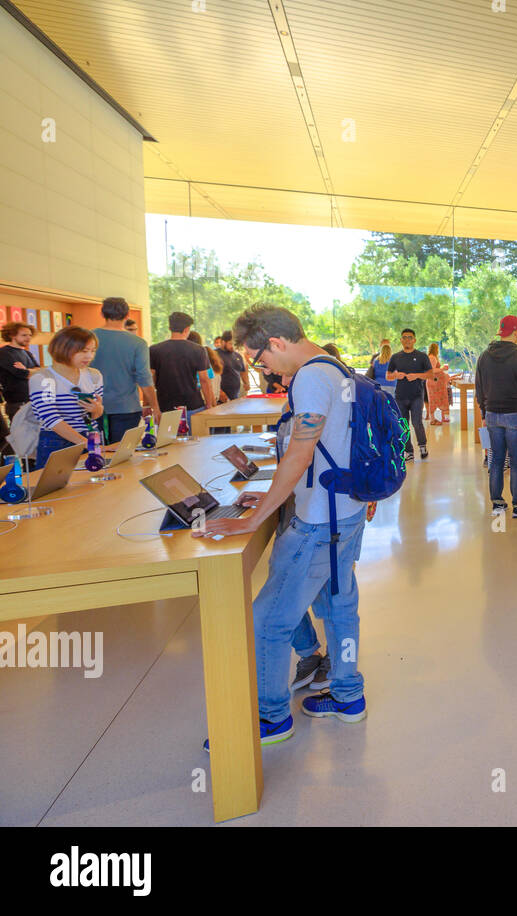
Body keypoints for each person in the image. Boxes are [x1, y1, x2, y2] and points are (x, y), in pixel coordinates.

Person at [197, 304, 372, 743]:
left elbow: (300, 452)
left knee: (267, 622)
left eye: (261, 359)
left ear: (275, 343)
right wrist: (276, 494)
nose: (265, 369)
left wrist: (255, 516)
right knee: (338, 605)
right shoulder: (337, 367)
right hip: (345, 510)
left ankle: (272, 717)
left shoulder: (312, 376)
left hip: (317, 521)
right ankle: (348, 696)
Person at [475, 316, 517, 515]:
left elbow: (479, 388)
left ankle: (497, 503)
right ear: (516, 332)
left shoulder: (485, 356)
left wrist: (484, 411)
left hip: (492, 414)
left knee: (496, 460)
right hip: (514, 415)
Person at [28, 327, 104, 469]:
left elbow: (95, 416)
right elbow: (51, 419)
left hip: (90, 437)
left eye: (92, 351)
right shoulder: (43, 378)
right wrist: (87, 444)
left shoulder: (94, 375)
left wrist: (97, 409)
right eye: (83, 351)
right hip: (56, 442)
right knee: (56, 488)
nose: (89, 357)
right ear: (63, 348)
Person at [89, 297, 161, 443]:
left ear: (102, 314)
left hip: (92, 406)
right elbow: (144, 377)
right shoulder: (138, 343)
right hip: (126, 407)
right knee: (122, 455)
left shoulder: (87, 338)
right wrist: (155, 406)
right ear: (128, 315)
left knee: (96, 452)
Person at [149, 312, 209, 417]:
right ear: (186, 329)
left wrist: (152, 406)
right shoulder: (198, 350)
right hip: (193, 405)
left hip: (165, 406)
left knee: (167, 434)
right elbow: (204, 380)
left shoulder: (154, 350)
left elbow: (149, 379)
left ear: (170, 328)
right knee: (196, 434)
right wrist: (210, 404)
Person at [388, 328, 433, 461]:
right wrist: (396, 375)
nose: (407, 340)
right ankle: (409, 451)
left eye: (410, 337)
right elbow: (388, 375)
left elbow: (430, 374)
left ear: (414, 340)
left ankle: (422, 446)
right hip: (400, 396)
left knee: (417, 422)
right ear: (401, 340)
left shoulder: (422, 356)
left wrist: (416, 376)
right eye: (404, 337)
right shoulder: (395, 357)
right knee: (403, 424)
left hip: (417, 395)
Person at [0, 321, 39, 447]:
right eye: (24, 335)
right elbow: (20, 374)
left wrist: (28, 370)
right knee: (24, 444)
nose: (28, 338)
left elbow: (40, 372)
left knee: (35, 442)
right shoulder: (4, 353)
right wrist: (29, 372)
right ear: (13, 335)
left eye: (29, 335)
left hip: (32, 401)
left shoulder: (27, 353)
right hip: (17, 404)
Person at [424, 342, 451, 424]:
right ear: (436, 349)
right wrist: (442, 369)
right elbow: (432, 370)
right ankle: (433, 420)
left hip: (434, 382)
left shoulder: (430, 357)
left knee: (432, 400)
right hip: (434, 383)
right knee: (433, 400)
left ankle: (433, 419)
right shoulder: (432, 358)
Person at [217, 330, 249, 401]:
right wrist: (219, 392)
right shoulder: (215, 355)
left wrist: (246, 382)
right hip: (221, 398)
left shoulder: (237, 355)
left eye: (234, 344)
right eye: (230, 344)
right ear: (223, 342)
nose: (233, 346)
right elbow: (211, 377)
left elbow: (243, 371)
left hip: (236, 396)